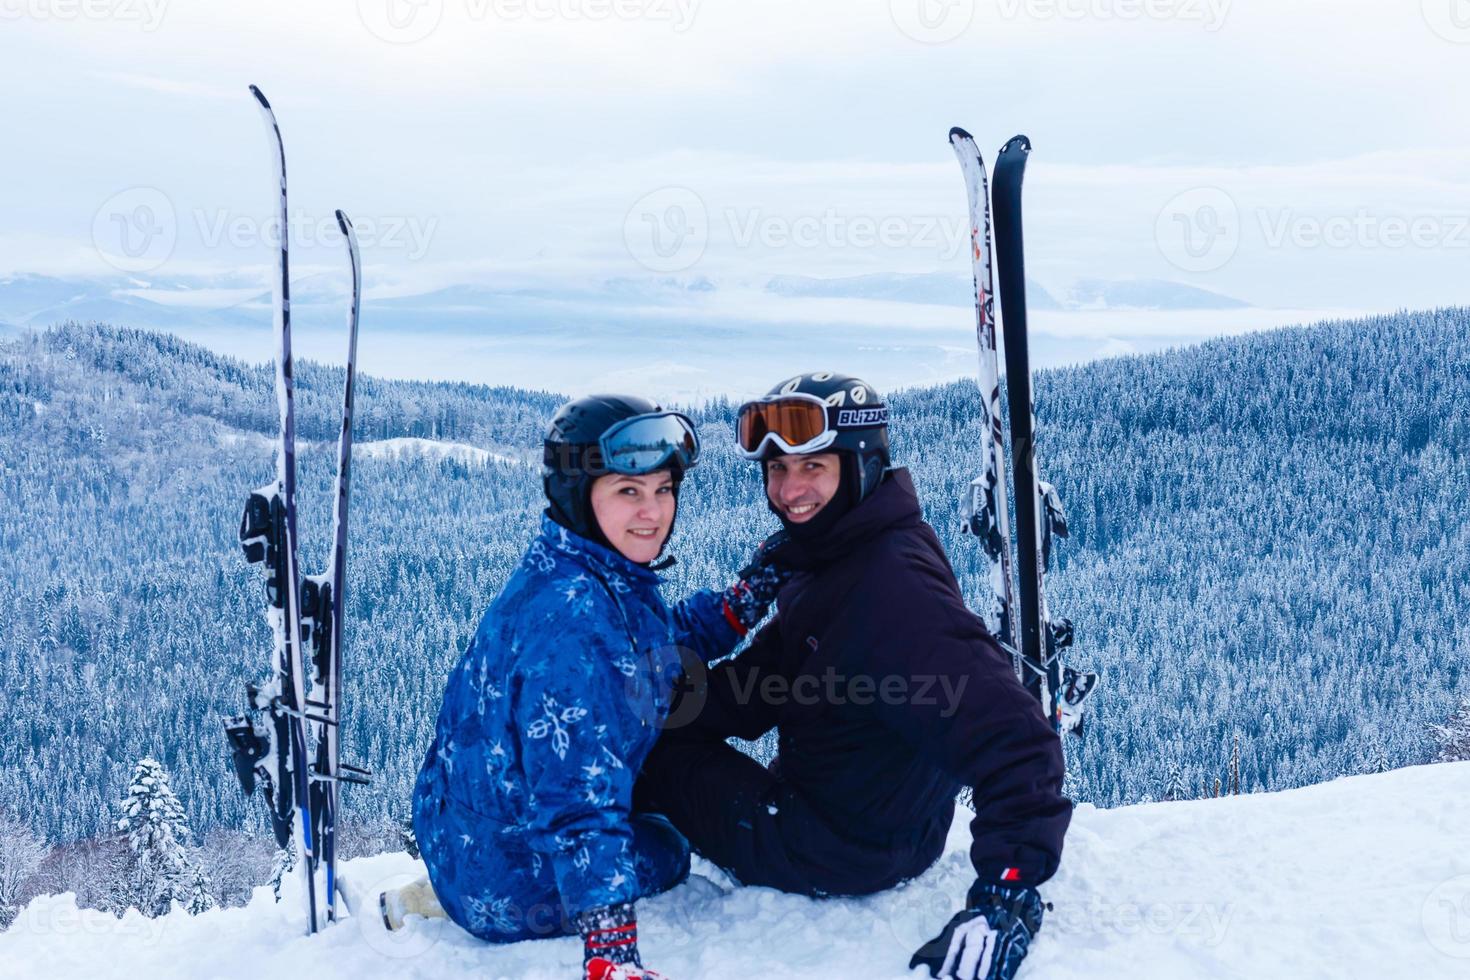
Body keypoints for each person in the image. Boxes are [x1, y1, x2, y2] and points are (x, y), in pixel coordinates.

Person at [634, 372, 1073, 980]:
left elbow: (1020, 742)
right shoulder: (847, 552)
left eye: (812, 467)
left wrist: (1009, 894)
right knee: (659, 728)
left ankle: (579, 856)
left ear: (860, 463)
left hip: (834, 849)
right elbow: (772, 676)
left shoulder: (892, 587)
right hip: (878, 823)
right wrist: (665, 704)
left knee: (651, 760)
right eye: (776, 470)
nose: (788, 491)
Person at [404, 394, 789, 980]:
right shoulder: (575, 633)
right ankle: (487, 900)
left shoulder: (582, 570)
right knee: (668, 844)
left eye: (663, 489)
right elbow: (580, 805)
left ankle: (463, 882)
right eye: (628, 491)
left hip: (463, 835)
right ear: (579, 498)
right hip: (512, 881)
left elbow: (652, 643)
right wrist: (612, 954)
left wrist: (744, 599)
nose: (653, 511)